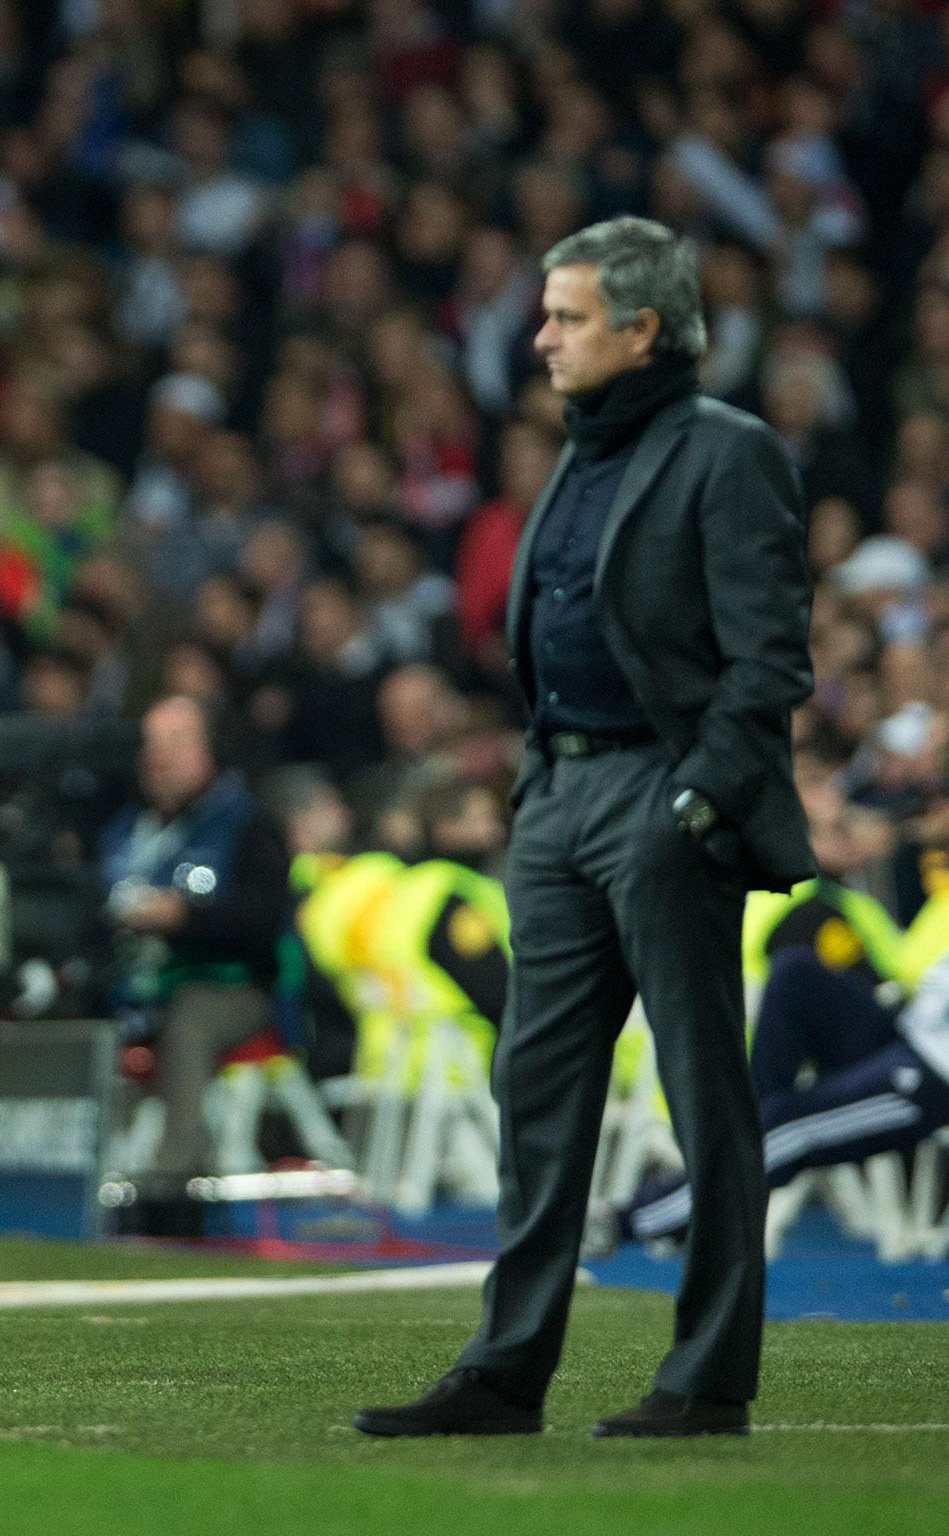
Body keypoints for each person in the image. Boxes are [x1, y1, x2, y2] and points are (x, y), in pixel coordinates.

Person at [356, 218, 815, 1440]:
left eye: (564, 317)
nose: (540, 337)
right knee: (535, 1090)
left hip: (658, 797)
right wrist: (535, 788)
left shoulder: (729, 455)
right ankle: (506, 1371)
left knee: (698, 1092)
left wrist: (695, 803)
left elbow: (769, 663)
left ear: (641, 329)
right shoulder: (580, 449)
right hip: (556, 796)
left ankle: (708, 1376)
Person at [612, 770, 949, 1246]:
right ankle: (746, 1131)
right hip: (940, 1047)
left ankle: (633, 1221)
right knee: (798, 982)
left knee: (789, 1128)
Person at [99, 695, 290, 1186]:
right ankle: (77, 1169)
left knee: (188, 1020)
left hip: (233, 987)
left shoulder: (247, 824)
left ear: (211, 750)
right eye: (151, 744)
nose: (158, 758)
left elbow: (264, 919)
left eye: (176, 743)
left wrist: (184, 916)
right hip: (132, 985)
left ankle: (174, 1173)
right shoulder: (124, 831)